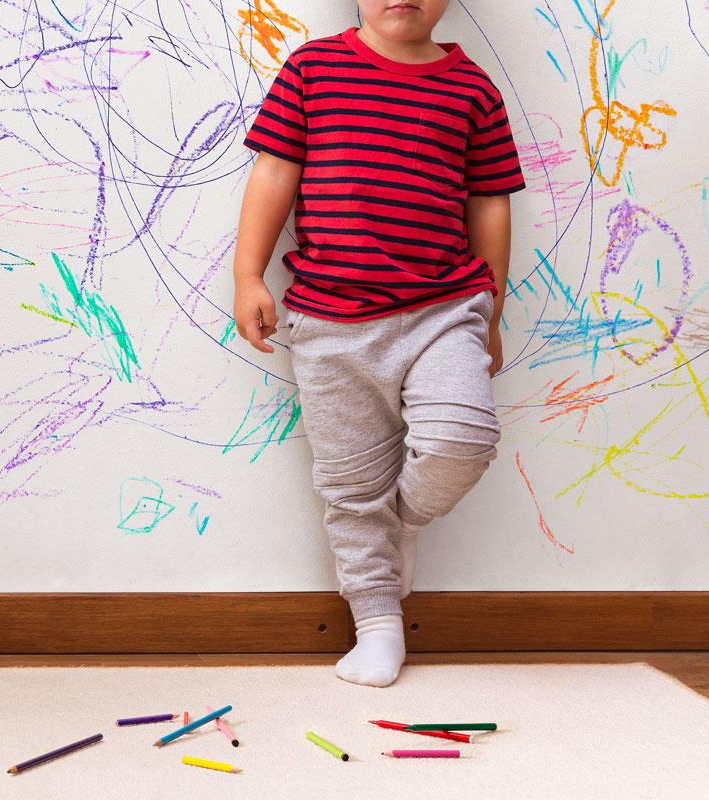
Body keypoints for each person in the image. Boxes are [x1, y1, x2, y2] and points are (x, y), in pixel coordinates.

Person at [232, 0, 525, 687]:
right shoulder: (313, 68)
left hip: (443, 307)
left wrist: (492, 312)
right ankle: (378, 622)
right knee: (349, 488)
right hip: (331, 322)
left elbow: (489, 200)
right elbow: (275, 171)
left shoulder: (473, 87)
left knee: (464, 438)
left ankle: (402, 520)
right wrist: (248, 273)